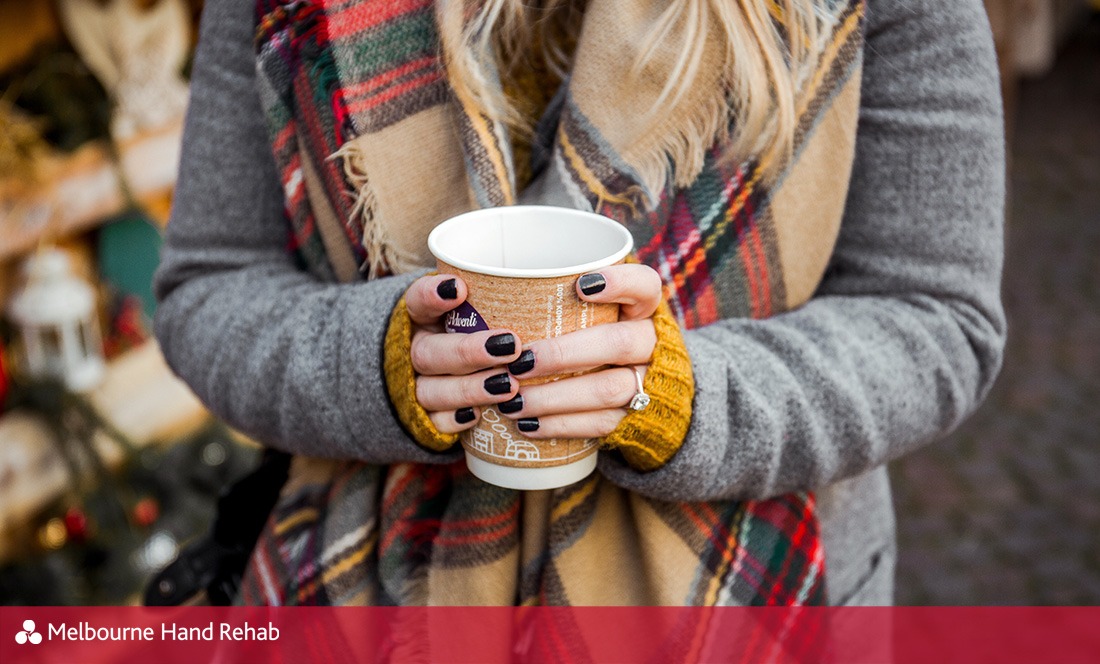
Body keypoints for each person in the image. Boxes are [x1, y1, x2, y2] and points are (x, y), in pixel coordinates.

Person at [155, 0, 1005, 607]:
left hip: (754, 597)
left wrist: (685, 400)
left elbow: (935, 318)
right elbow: (210, 286)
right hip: (360, 600)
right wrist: (380, 366)